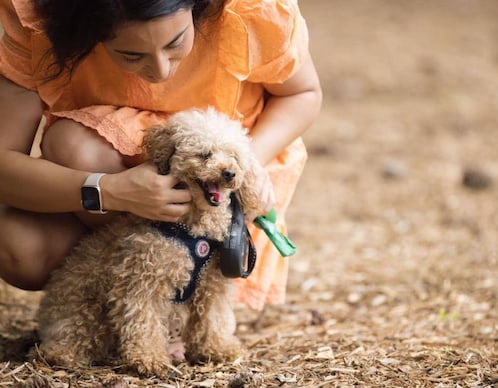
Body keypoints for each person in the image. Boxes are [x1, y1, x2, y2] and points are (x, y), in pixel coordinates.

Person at [0, 0, 322, 311]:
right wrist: (110, 191)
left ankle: (180, 298)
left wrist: (247, 160)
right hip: (107, 183)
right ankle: (131, 301)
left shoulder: (250, 7)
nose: (161, 70)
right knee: (19, 245)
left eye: (176, 42)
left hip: (213, 188)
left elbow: (303, 92)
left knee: (73, 145)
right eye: (131, 55)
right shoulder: (38, 15)